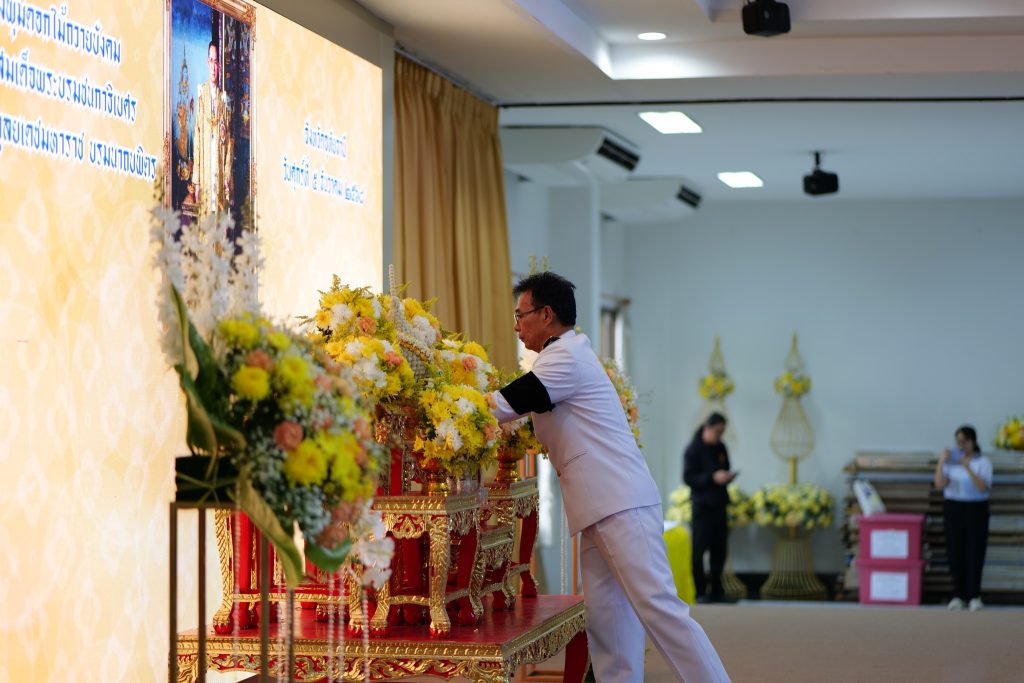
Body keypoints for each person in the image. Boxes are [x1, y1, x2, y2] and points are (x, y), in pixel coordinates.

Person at [488, 272, 731, 683]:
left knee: (660, 611)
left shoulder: (565, 357)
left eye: (520, 315)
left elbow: (505, 403)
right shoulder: (563, 355)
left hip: (620, 504)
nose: (516, 326)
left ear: (546, 314)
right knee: (609, 622)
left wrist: (454, 408)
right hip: (601, 506)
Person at [933, 425, 992, 611]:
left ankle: (974, 595)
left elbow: (983, 487)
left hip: (976, 508)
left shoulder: (983, 462)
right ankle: (958, 594)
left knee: (975, 551)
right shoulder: (950, 462)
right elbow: (939, 484)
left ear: (973, 442)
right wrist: (941, 462)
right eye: (958, 441)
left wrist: (968, 468)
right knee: (955, 550)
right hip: (954, 508)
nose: (961, 445)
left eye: (965, 441)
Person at [683, 413, 738, 603]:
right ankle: (700, 592)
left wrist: (726, 476)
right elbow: (688, 477)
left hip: (719, 505)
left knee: (719, 549)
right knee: (699, 550)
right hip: (702, 507)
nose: (719, 435)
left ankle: (716, 590)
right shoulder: (693, 450)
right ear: (707, 427)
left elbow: (726, 466)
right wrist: (712, 478)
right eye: (717, 431)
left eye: (722, 432)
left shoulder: (720, 447)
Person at [193, 40, 233, 219]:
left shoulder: (224, 99)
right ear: (207, 62)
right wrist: (196, 181)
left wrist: (227, 174)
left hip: (219, 174)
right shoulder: (201, 94)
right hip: (205, 173)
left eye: (216, 62)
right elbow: (197, 137)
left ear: (220, 65)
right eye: (211, 61)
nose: (213, 67)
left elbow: (229, 142)